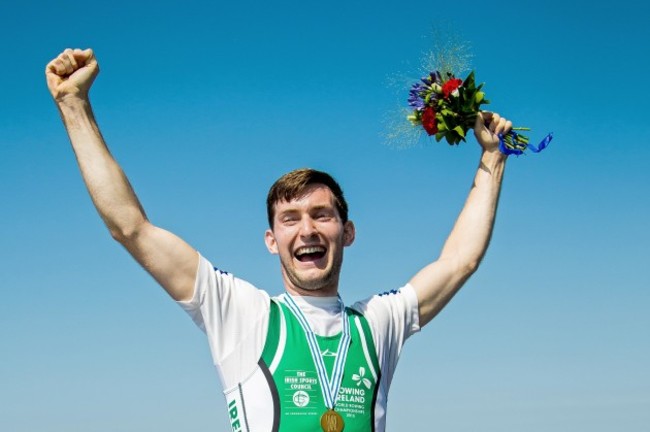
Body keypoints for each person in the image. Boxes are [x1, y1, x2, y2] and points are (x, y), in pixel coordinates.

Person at [46, 48, 512, 432]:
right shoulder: (240, 312)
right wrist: (74, 106)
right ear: (272, 240)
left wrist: (493, 160)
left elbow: (459, 262)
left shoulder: (378, 323)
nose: (307, 229)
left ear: (347, 233)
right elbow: (131, 228)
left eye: (321, 215)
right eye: (290, 219)